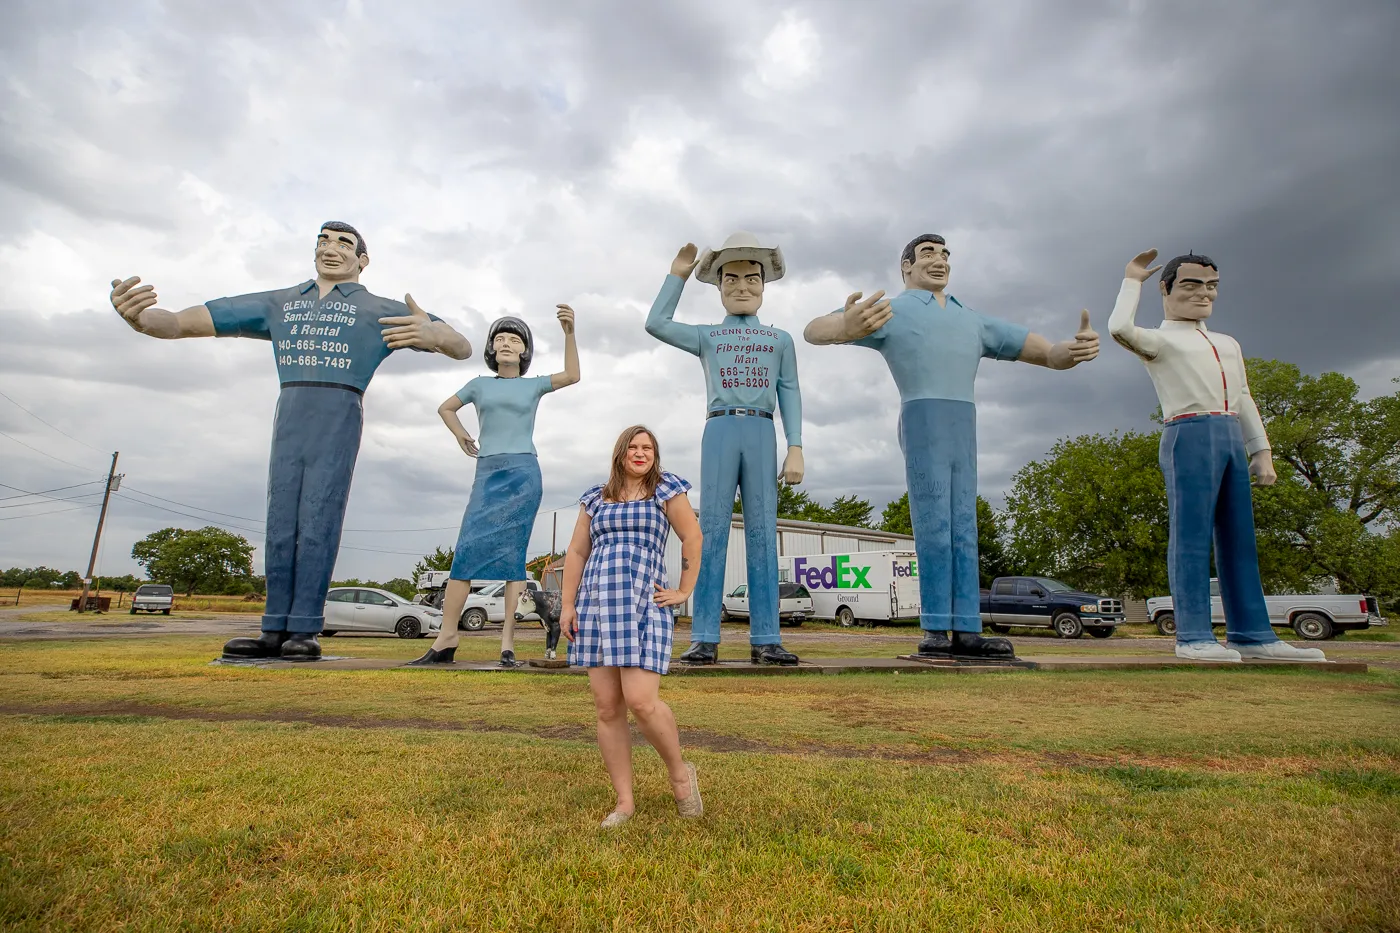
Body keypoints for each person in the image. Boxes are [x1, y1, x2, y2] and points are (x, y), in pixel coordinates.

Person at [110, 222, 472, 660]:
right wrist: (142, 319)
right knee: (281, 519)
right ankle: (273, 628)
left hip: (339, 410)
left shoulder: (379, 309)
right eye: (322, 240)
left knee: (319, 516)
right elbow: (180, 323)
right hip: (291, 410)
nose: (330, 248)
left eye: (343, 243)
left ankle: (305, 626)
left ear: (363, 259)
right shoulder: (279, 303)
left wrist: (437, 337)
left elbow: (462, 345)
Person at [804, 233, 1100, 660]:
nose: (939, 260)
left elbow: (1045, 352)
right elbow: (816, 329)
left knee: (965, 526)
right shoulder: (893, 309)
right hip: (923, 415)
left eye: (945, 254)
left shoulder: (971, 319)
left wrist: (1068, 351)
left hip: (965, 421)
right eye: (928, 254)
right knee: (934, 527)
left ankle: (967, 629)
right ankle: (936, 628)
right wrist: (845, 327)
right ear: (906, 266)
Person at [1108, 248, 1325, 662]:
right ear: (1166, 288)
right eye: (1191, 284)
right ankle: (1192, 635)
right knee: (1190, 538)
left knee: (1240, 539)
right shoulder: (1160, 339)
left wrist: (1261, 450)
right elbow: (1119, 327)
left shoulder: (1227, 343)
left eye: (1211, 286)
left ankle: (1252, 633)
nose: (1203, 293)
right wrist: (1131, 280)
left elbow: (1243, 396)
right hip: (1187, 432)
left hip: (1229, 434)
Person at [644, 233, 804, 666]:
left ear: (765, 286)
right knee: (710, 532)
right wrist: (676, 276)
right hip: (718, 430)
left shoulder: (780, 340)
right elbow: (656, 323)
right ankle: (704, 636)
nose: (742, 288)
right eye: (730, 280)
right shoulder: (709, 336)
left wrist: (796, 446)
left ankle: (767, 637)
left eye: (752, 279)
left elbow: (789, 390)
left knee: (762, 533)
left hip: (761, 431)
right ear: (717, 288)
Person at [410, 305, 581, 667]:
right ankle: (446, 637)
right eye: (499, 338)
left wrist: (568, 333)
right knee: (465, 554)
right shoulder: (478, 385)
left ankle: (507, 646)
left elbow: (572, 375)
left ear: (524, 351)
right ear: (491, 348)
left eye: (514, 339)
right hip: (488, 473)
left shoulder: (533, 385)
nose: (505, 343)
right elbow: (446, 408)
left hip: (523, 474)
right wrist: (461, 435)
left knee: (512, 560)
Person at [560, 425, 704, 827]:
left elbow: (692, 536)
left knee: (641, 701)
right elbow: (576, 551)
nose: (641, 453)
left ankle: (679, 773)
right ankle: (624, 802)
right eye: (634, 447)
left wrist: (684, 590)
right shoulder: (595, 497)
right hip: (596, 605)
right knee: (607, 707)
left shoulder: (666, 490)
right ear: (621, 452)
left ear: (655, 456)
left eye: (649, 448)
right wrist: (568, 605)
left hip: (644, 603)